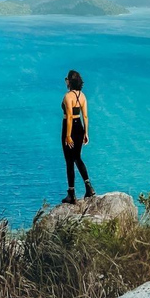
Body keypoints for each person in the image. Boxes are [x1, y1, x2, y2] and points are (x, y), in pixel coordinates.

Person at [61, 70, 95, 204]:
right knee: (77, 158)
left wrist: (68, 136)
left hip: (69, 128)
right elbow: (85, 116)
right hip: (80, 127)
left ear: (70, 81)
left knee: (69, 161)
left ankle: (71, 193)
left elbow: (69, 116)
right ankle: (88, 187)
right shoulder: (82, 96)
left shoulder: (67, 96)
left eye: (66, 79)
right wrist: (86, 132)